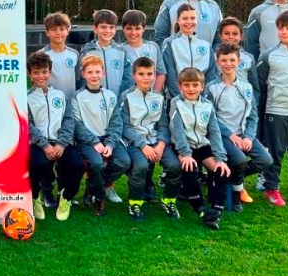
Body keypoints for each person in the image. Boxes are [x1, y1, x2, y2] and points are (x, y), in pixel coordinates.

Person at [206, 43, 272, 211]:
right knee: (240, 160)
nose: (228, 64)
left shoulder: (246, 87)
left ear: (239, 61)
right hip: (223, 136)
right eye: (224, 60)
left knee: (265, 160)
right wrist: (230, 135)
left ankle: (231, 176)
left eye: (232, 60)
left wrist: (248, 137)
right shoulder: (212, 87)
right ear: (218, 61)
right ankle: (236, 195)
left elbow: (253, 116)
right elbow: (210, 118)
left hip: (243, 135)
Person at [119, 58, 183, 221]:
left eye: (149, 74)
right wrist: (143, 146)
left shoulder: (159, 97)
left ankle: (169, 200)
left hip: (156, 141)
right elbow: (125, 127)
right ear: (134, 75)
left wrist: (161, 144)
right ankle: (135, 202)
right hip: (135, 142)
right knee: (140, 166)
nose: (146, 78)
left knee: (175, 166)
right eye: (141, 74)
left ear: (155, 75)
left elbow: (164, 125)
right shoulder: (126, 97)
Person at [169, 67, 231, 230]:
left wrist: (220, 158)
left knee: (221, 170)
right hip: (184, 147)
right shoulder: (176, 103)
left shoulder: (207, 105)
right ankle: (200, 207)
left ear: (202, 87)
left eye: (195, 85)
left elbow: (215, 132)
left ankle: (216, 209)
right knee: (189, 168)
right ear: (180, 86)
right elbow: (177, 131)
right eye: (187, 85)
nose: (191, 89)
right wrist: (185, 154)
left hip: (202, 145)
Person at [27, 51, 85, 222]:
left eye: (44, 71)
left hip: (61, 143)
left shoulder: (60, 95)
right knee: (37, 164)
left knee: (77, 165)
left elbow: (68, 120)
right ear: (29, 74)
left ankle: (65, 198)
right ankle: (35, 197)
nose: (41, 76)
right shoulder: (27, 97)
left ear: (50, 72)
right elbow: (28, 125)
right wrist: (45, 145)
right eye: (36, 72)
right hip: (39, 144)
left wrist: (61, 143)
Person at [71, 55, 130, 215]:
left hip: (108, 137)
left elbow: (116, 122)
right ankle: (99, 197)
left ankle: (93, 186)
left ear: (103, 73)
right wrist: (94, 142)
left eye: (97, 71)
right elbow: (77, 124)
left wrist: (110, 143)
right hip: (88, 140)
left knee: (124, 162)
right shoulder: (77, 97)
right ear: (83, 74)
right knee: (97, 164)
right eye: (90, 72)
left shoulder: (110, 95)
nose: (94, 75)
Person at [257, 10, 288, 207]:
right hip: (276, 111)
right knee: (275, 153)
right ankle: (272, 188)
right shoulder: (268, 55)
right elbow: (260, 88)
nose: (283, 32)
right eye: (280, 28)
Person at [162, 3, 215, 99]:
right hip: (176, 99)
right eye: (185, 18)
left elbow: (210, 76)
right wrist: (180, 99)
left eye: (192, 18)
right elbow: (170, 75)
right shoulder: (170, 43)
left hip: (201, 101)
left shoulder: (206, 45)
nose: (189, 22)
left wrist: (203, 99)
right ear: (178, 20)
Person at [77, 9, 133, 95]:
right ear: (95, 29)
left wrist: (123, 96)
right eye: (103, 27)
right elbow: (82, 79)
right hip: (94, 100)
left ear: (115, 29)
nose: (107, 30)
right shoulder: (87, 51)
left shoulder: (122, 51)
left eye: (111, 27)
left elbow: (127, 78)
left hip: (117, 99)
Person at [121, 9, 166, 93]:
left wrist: (155, 94)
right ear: (123, 29)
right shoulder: (120, 50)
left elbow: (161, 74)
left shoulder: (153, 47)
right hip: (129, 97)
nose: (133, 32)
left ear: (144, 28)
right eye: (129, 28)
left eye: (137, 28)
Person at [217, 17, 260, 99]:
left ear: (241, 36)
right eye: (226, 33)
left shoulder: (248, 58)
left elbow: (254, 85)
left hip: (243, 101)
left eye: (235, 34)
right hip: (222, 101)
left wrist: (253, 103)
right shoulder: (214, 57)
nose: (230, 37)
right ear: (220, 36)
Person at [41, 11, 79, 101]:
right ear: (47, 32)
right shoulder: (41, 55)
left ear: (67, 31)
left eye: (62, 29)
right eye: (54, 29)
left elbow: (79, 80)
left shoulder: (74, 54)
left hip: (71, 103)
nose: (58, 32)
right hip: (50, 103)